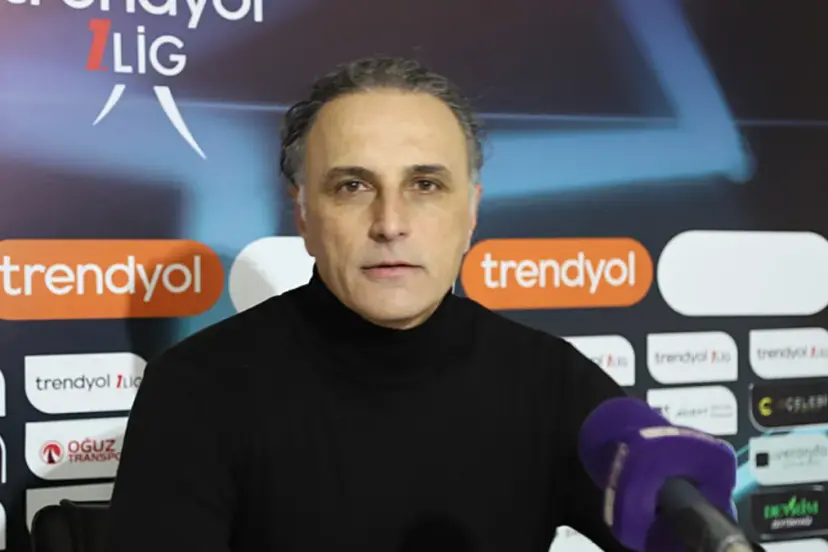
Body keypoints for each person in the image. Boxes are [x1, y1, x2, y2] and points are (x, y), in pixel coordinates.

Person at [105, 56, 631, 552]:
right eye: (353, 186)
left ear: (471, 211)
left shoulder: (553, 381)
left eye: (425, 184)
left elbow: (667, 524)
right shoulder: (196, 390)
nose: (390, 223)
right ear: (303, 214)